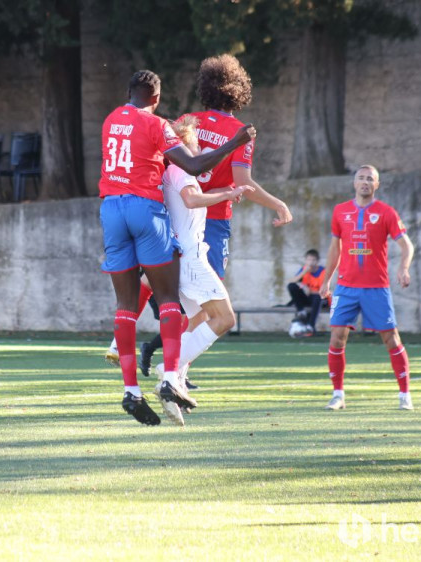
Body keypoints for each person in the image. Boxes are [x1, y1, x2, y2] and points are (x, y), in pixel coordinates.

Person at [100, 69, 254, 426]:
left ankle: (142, 379)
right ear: (155, 98)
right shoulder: (170, 150)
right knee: (218, 316)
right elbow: (193, 186)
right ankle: (170, 376)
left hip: (111, 206)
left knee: (180, 313)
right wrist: (234, 146)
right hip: (182, 247)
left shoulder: (113, 122)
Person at [150, 114, 251, 425]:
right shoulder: (181, 170)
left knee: (199, 318)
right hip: (191, 259)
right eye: (195, 143)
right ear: (185, 144)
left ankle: (175, 382)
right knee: (225, 318)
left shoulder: (168, 172)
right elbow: (193, 200)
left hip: (179, 258)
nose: (199, 148)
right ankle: (168, 372)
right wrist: (228, 193)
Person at [186, 54, 293, 278]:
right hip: (214, 218)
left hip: (182, 213)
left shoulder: (187, 120)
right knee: (211, 292)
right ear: (239, 90)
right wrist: (278, 204)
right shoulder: (241, 132)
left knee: (179, 288)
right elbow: (244, 183)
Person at [320, 165, 416, 411]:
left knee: (391, 340)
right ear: (354, 183)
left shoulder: (386, 212)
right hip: (345, 288)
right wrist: (326, 280)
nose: (365, 182)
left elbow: (407, 245)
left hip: (376, 288)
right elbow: (335, 248)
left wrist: (404, 268)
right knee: (337, 338)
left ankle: (405, 395)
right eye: (361, 178)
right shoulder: (340, 211)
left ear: (377, 185)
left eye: (370, 179)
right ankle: (338, 395)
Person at [286, 249, 326, 337]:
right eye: (308, 260)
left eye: (313, 260)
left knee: (317, 297)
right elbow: (292, 281)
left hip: (319, 299)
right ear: (305, 260)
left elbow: (324, 290)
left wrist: (309, 290)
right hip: (307, 297)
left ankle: (310, 326)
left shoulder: (323, 271)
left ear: (317, 261)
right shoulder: (304, 269)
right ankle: (301, 311)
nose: (311, 262)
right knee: (292, 286)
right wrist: (304, 272)